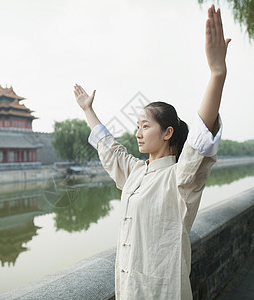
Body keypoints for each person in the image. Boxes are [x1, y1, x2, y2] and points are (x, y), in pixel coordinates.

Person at [74, 4, 230, 299]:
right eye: (137, 126)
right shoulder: (135, 171)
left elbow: (199, 140)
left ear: (167, 132)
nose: (138, 133)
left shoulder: (179, 178)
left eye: (145, 126)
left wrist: (217, 73)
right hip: (128, 289)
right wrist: (88, 110)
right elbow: (109, 147)